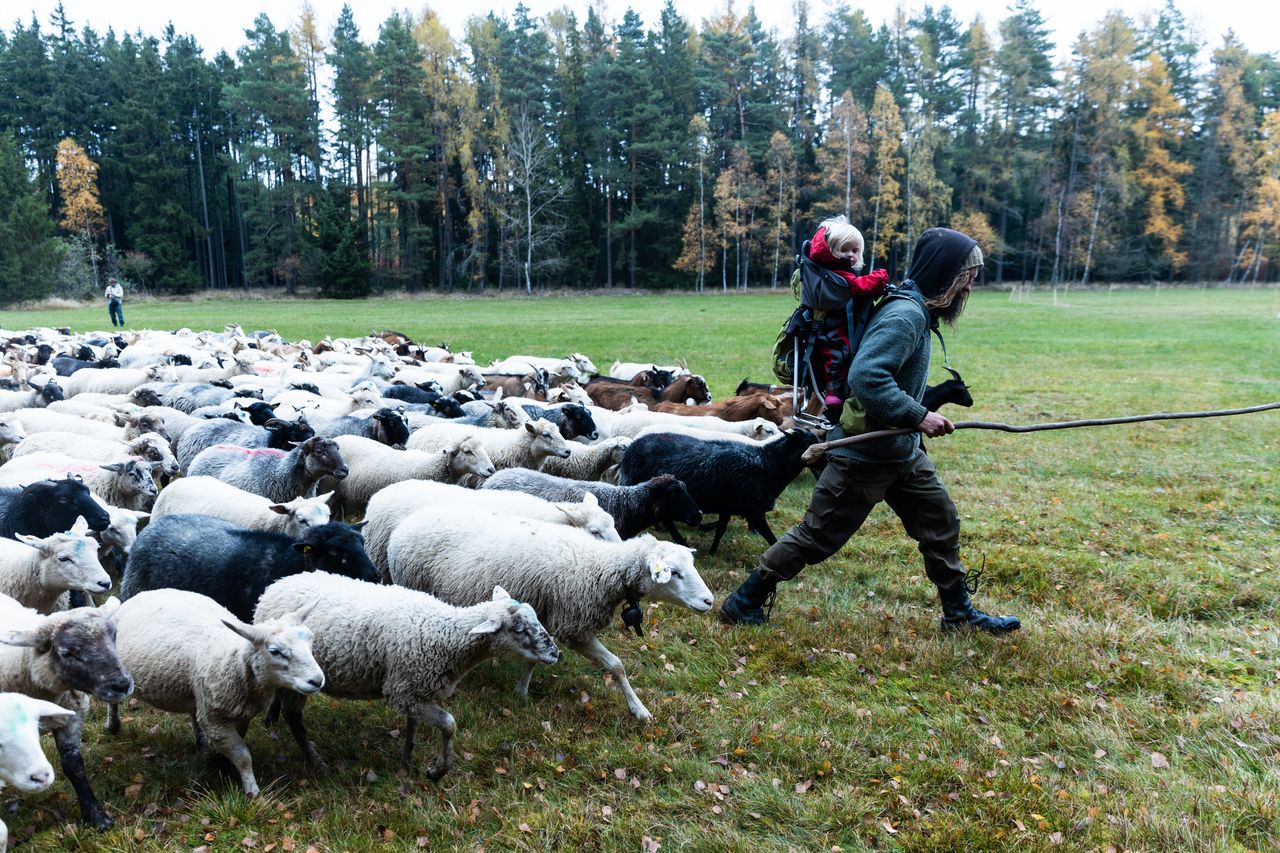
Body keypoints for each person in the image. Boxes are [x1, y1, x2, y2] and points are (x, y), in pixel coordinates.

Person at [720, 226, 1021, 635]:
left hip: (901, 452)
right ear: (946, 273)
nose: (971, 284)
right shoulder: (905, 315)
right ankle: (745, 600)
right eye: (967, 274)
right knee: (815, 537)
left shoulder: (917, 309)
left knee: (940, 520)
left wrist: (910, 427)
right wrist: (919, 415)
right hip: (864, 455)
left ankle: (959, 613)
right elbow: (867, 377)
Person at [804, 215, 890, 406]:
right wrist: (881, 277)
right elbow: (859, 286)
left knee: (838, 355)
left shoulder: (826, 271)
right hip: (834, 326)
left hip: (834, 322)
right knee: (838, 355)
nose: (850, 254)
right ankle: (834, 391)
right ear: (830, 251)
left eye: (855, 250)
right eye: (844, 250)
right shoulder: (836, 274)